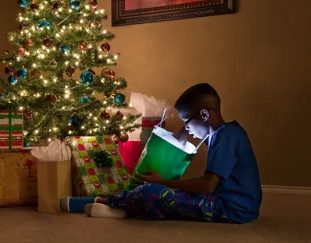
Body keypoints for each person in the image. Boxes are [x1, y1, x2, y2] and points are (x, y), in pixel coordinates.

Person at [62, 83, 262, 223]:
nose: (186, 128)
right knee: (166, 192)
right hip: (232, 204)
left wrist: (162, 182)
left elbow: (208, 185)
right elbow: (185, 143)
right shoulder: (223, 134)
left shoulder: (224, 137)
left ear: (203, 114)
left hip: (232, 209)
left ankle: (104, 203)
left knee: (153, 191)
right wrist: (184, 131)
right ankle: (122, 205)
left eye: (187, 122)